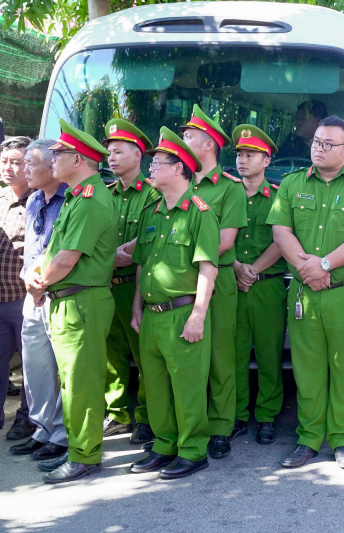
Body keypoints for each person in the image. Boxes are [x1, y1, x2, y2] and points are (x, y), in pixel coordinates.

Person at [268, 115, 344, 469]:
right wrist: (308, 268)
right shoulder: (291, 184)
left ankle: (342, 438)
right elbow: (281, 232)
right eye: (315, 142)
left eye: (327, 144)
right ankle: (308, 438)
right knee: (308, 368)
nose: (318, 149)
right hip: (306, 292)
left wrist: (324, 266)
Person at [25, 119, 117, 483]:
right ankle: (78, 449)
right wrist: (38, 277)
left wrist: (39, 284)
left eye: (59, 155)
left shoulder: (92, 200)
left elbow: (66, 259)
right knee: (71, 382)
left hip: (83, 301)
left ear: (77, 160)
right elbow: (54, 251)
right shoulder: (80, 197)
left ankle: (85, 455)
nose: (52, 162)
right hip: (69, 299)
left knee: (82, 383)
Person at [127, 127, 219, 479]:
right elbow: (143, 265)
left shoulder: (199, 212)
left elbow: (208, 268)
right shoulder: (152, 211)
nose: (151, 169)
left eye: (158, 163)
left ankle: (193, 450)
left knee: (188, 387)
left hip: (182, 313)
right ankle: (164, 445)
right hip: (151, 315)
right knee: (156, 385)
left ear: (180, 168)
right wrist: (137, 304)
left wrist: (197, 316)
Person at [180, 104, 246, 458]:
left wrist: (181, 255)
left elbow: (225, 241)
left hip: (216, 283)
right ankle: (189, 425)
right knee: (187, 358)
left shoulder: (229, 189)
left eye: (188, 137)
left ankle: (221, 426)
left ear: (207, 144)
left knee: (221, 357)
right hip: (179, 284)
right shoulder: (179, 181)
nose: (182, 141)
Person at [10, 138, 69, 468]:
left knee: (62, 369)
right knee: (35, 368)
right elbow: (30, 249)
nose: (25, 170)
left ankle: (61, 435)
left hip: (55, 293)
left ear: (54, 166)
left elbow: (60, 252)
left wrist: (39, 281)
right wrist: (27, 279)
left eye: (32, 164)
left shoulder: (71, 200)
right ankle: (42, 428)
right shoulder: (33, 199)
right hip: (32, 293)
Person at [100, 119, 158, 445]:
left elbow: (151, 233)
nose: (111, 158)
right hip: (107, 284)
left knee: (145, 355)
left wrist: (123, 253)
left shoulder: (151, 194)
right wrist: (110, 257)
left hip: (135, 284)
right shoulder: (106, 195)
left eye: (119, 151)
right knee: (112, 354)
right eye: (109, 152)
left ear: (138, 155)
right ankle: (117, 413)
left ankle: (147, 418)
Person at [230, 125, 287, 444]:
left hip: (267, 286)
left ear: (266, 160)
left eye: (250, 155)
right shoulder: (228, 194)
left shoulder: (278, 198)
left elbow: (283, 239)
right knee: (234, 353)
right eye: (239, 154)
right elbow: (221, 237)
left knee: (269, 354)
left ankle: (266, 415)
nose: (242, 160)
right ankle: (237, 413)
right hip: (232, 284)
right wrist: (238, 267)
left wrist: (251, 270)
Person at [0, 137, 34, 442]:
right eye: (4, 161)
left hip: (24, 299)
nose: (8, 167)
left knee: (33, 366)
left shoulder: (40, 199)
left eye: (16, 161)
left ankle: (27, 419)